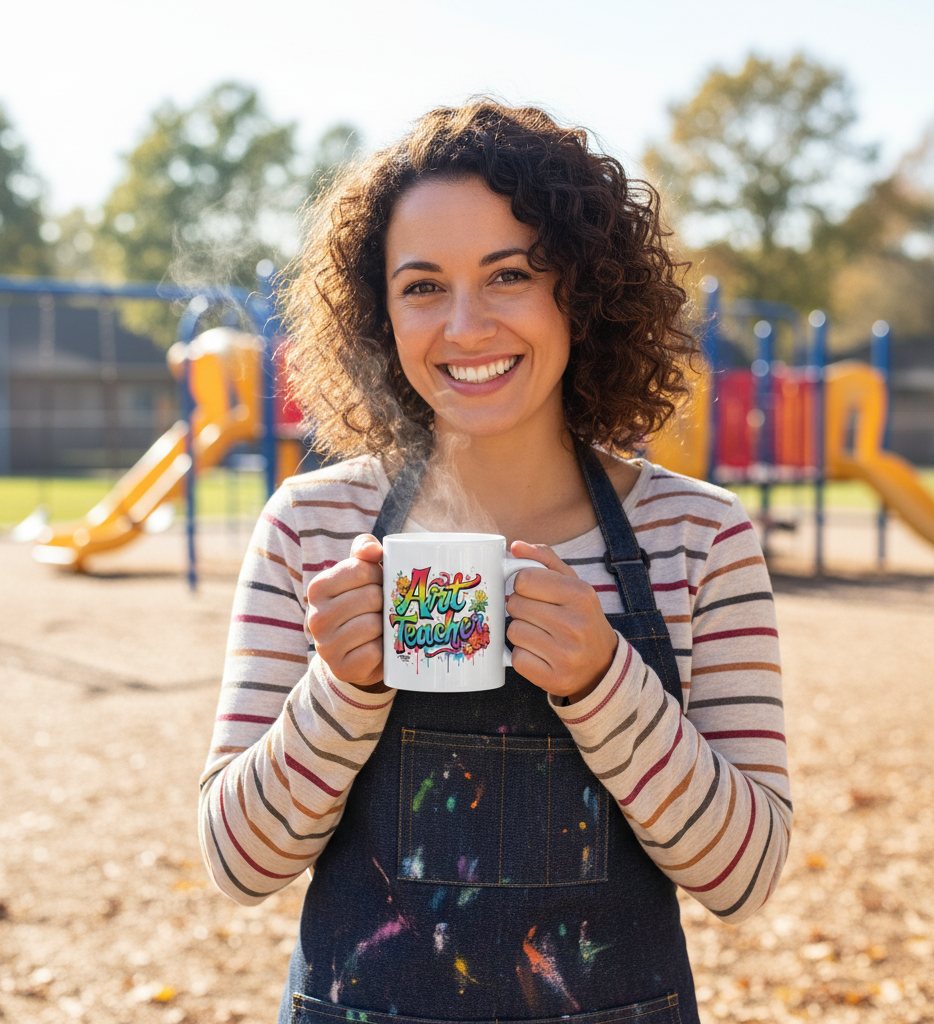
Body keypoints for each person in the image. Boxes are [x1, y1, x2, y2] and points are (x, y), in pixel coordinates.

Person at [198, 102, 790, 1024]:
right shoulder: (311, 526)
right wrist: (340, 691)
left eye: (509, 274)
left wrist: (603, 681)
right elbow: (238, 865)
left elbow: (744, 876)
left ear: (583, 292)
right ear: (379, 312)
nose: (466, 327)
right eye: (423, 287)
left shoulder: (698, 536)